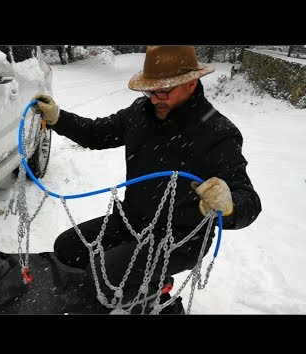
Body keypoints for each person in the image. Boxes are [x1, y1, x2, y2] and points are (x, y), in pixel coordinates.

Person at [31, 46, 262, 311]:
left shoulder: (218, 132)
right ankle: (125, 287)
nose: (155, 99)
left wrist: (229, 205)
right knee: (68, 248)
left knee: (106, 271)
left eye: (164, 91)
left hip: (181, 238)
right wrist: (60, 119)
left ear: (190, 84)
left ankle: (153, 296)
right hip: (132, 222)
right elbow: (98, 133)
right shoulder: (140, 112)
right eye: (151, 90)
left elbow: (250, 202)